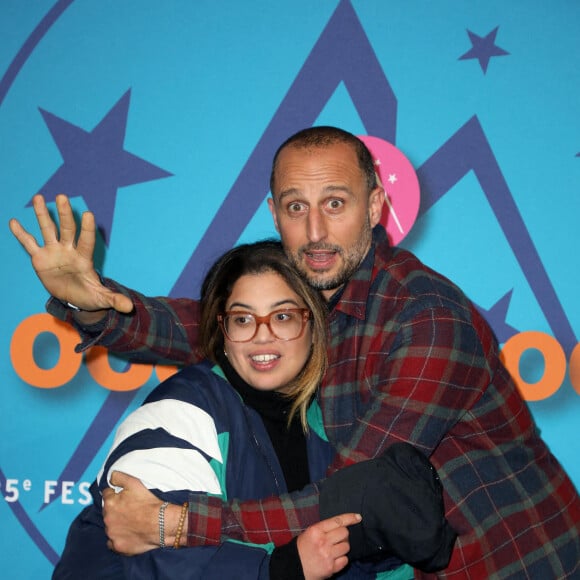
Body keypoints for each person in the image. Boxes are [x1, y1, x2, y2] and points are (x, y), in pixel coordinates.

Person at [10, 126, 580, 578]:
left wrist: (173, 522)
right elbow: (209, 324)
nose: (314, 232)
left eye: (335, 203)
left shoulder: (426, 320)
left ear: (377, 205)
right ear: (273, 210)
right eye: (295, 206)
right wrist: (95, 307)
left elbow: (348, 504)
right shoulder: (314, 293)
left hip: (517, 563)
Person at [48, 240, 455, 580]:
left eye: (282, 316)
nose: (263, 337)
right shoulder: (178, 412)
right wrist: (280, 570)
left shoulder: (333, 419)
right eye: (243, 319)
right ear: (223, 332)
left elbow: (357, 555)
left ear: (314, 326)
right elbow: (155, 564)